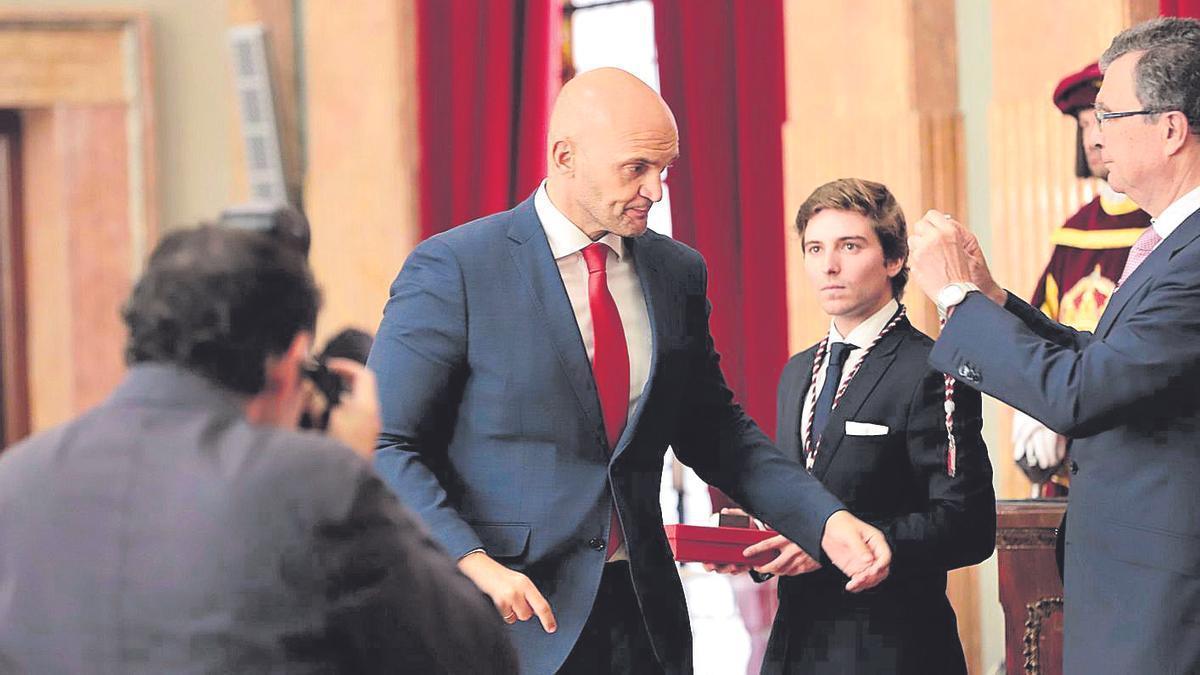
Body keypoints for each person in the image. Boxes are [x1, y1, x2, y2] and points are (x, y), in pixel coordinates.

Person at [367, 67, 891, 675]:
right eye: (637, 168)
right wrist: (473, 563)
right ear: (565, 156)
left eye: (664, 170)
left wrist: (825, 520)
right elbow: (385, 442)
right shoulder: (455, 268)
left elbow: (717, 433)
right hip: (503, 616)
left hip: (643, 616)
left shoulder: (677, 273)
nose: (657, 189)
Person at [0, 225, 517, 674]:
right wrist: (360, 465)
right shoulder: (313, 482)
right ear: (290, 360)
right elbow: (472, 656)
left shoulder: (16, 479)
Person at [908, 17, 1200, 674]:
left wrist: (954, 302)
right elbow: (1103, 357)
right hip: (1134, 588)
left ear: (1171, 129)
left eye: (1110, 115)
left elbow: (1081, 392)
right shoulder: (1171, 240)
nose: (1094, 135)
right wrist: (992, 298)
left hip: (1168, 602)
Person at [721, 179, 994, 674]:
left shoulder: (935, 366)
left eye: (850, 246)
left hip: (892, 649)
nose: (829, 265)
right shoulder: (795, 372)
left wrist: (845, 545)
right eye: (815, 248)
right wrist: (757, 549)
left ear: (893, 261)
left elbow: (969, 526)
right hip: (793, 650)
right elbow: (794, 500)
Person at [1012, 62, 1150, 493]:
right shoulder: (1075, 230)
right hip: (1067, 446)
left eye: (1103, 120)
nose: (1093, 137)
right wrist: (1033, 409)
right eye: (1086, 122)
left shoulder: (1165, 224)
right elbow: (1038, 327)